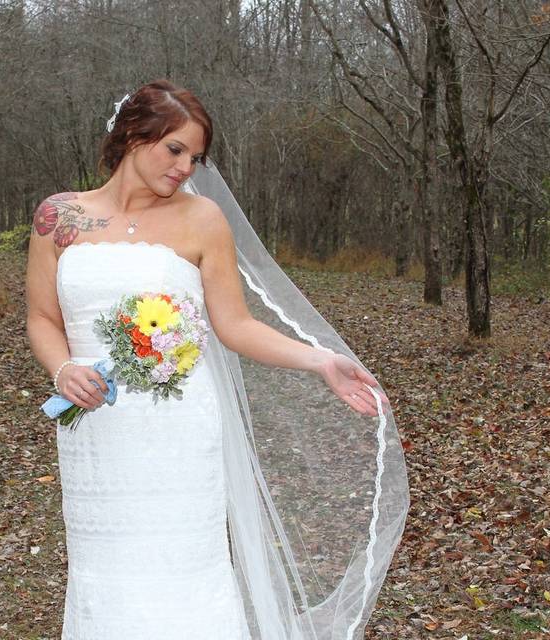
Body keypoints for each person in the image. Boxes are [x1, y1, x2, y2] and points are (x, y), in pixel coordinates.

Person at [25, 80, 408, 640]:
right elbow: (42, 317)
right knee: (108, 572)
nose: (186, 168)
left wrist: (321, 361)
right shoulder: (59, 217)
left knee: (186, 571)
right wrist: (63, 370)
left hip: (179, 431)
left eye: (196, 157)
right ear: (133, 135)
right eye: (175, 149)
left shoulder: (202, 220)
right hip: (98, 433)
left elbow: (236, 325)